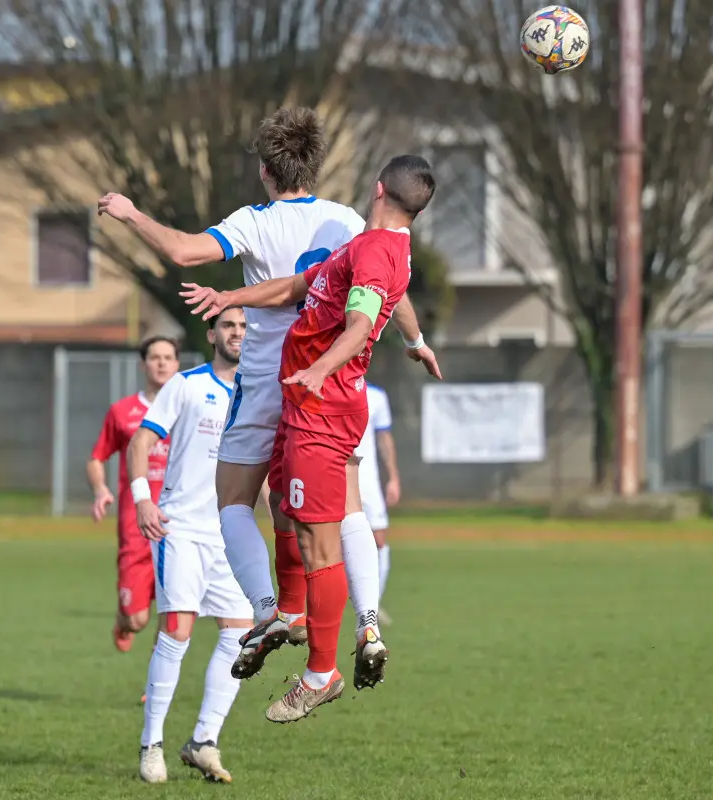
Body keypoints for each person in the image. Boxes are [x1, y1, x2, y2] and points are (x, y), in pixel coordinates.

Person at [97, 107, 440, 683]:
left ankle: (269, 612)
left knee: (232, 499)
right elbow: (387, 281)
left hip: (265, 379)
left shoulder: (252, 222)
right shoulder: (345, 221)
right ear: (315, 164)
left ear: (265, 170)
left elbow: (182, 251)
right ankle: (370, 621)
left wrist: (130, 213)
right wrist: (415, 338)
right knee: (344, 504)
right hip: (328, 384)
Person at [181, 154, 437, 722]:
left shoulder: (372, 251)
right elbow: (299, 284)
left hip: (322, 407)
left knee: (323, 536)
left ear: (377, 189)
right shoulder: (370, 243)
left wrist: (320, 369)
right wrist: (230, 299)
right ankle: (296, 616)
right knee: (297, 519)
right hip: (308, 405)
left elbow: (361, 324)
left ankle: (322, 673)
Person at [125, 308, 250, 784]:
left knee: (241, 634)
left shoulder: (259, 388)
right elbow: (141, 441)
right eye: (229, 326)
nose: (238, 333)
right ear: (212, 333)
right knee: (177, 631)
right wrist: (143, 500)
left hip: (229, 534)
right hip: (181, 528)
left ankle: (204, 740)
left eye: (244, 326)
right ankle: (151, 743)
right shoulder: (186, 384)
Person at [86, 336, 179, 653]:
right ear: (143, 364)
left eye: (168, 357)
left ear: (177, 364)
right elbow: (97, 458)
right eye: (155, 357)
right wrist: (100, 489)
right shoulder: (122, 411)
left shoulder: (189, 407)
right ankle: (122, 619)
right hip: (135, 524)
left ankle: (155, 686)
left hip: (178, 522)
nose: (162, 363)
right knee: (137, 619)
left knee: (173, 614)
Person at [355, 384, 400, 624]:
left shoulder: (376, 396)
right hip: (333, 476)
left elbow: (384, 438)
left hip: (368, 482)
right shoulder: (326, 385)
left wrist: (393, 477)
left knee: (379, 542)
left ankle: (372, 606)